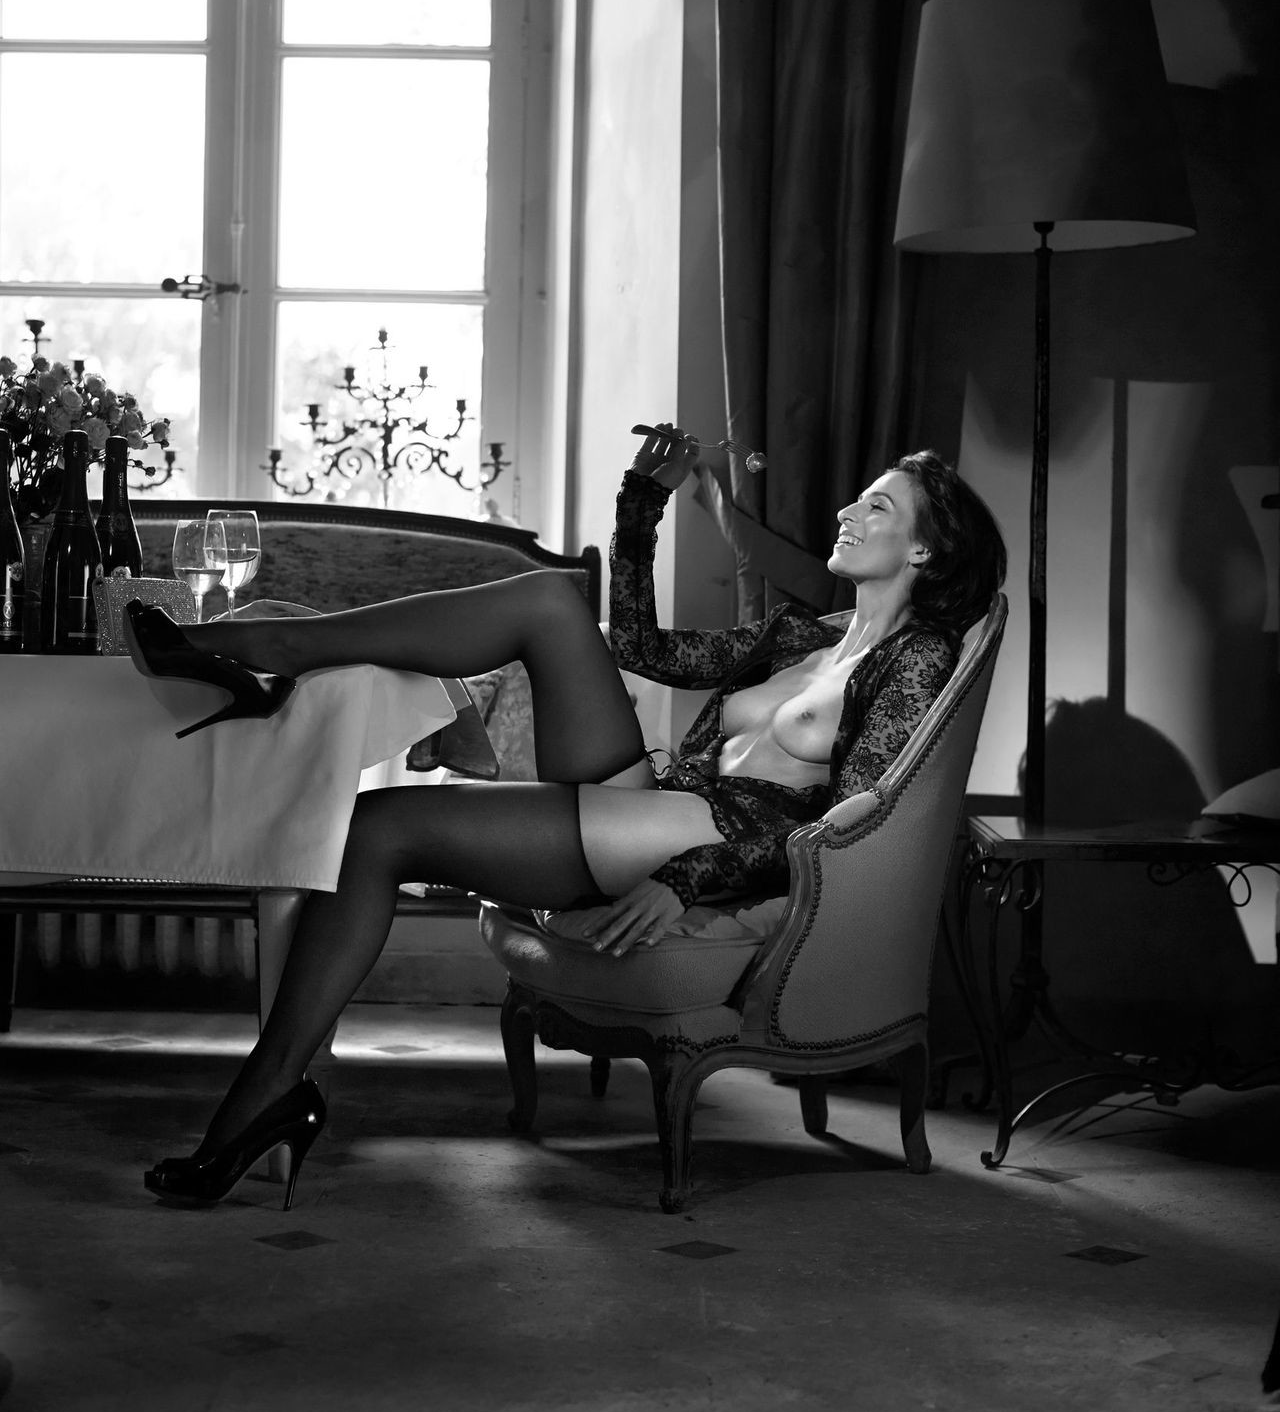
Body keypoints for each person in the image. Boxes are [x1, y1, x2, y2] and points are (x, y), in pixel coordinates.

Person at [126, 427, 1006, 1208]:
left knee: (378, 828)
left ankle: (264, 1095)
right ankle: (274, 650)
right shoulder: (805, 635)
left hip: (714, 835)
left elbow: (846, 820)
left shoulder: (916, 658)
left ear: (925, 550)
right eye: (858, 498)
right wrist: (643, 503)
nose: (849, 511)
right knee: (550, 599)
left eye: (879, 506)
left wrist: (687, 878)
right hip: (661, 800)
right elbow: (641, 649)